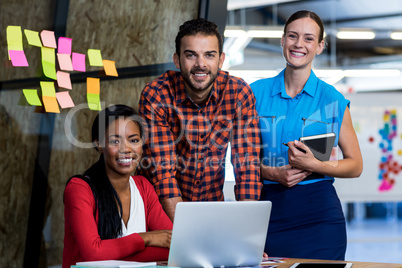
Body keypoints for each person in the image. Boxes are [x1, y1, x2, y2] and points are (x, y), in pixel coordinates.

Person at [250, 10, 363, 260]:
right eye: (293, 36)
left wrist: (315, 164)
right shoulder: (254, 94)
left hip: (319, 216)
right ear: (282, 40)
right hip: (267, 212)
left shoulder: (332, 99)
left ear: (320, 46)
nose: (299, 44)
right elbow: (238, 158)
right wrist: (271, 173)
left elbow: (355, 165)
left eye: (309, 38)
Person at [138, 18, 262, 221]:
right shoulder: (157, 95)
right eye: (191, 55)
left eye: (209, 55)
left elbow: (247, 167)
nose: (200, 64)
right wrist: (187, 233)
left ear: (221, 60)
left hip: (210, 209)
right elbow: (163, 174)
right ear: (177, 60)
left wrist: (247, 235)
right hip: (159, 213)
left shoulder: (239, 93)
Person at [63, 105, 172, 268]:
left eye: (134, 140)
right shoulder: (80, 189)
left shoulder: (143, 187)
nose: (126, 149)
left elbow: (171, 243)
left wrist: (109, 252)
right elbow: (93, 255)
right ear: (99, 144)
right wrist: (146, 238)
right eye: (115, 141)